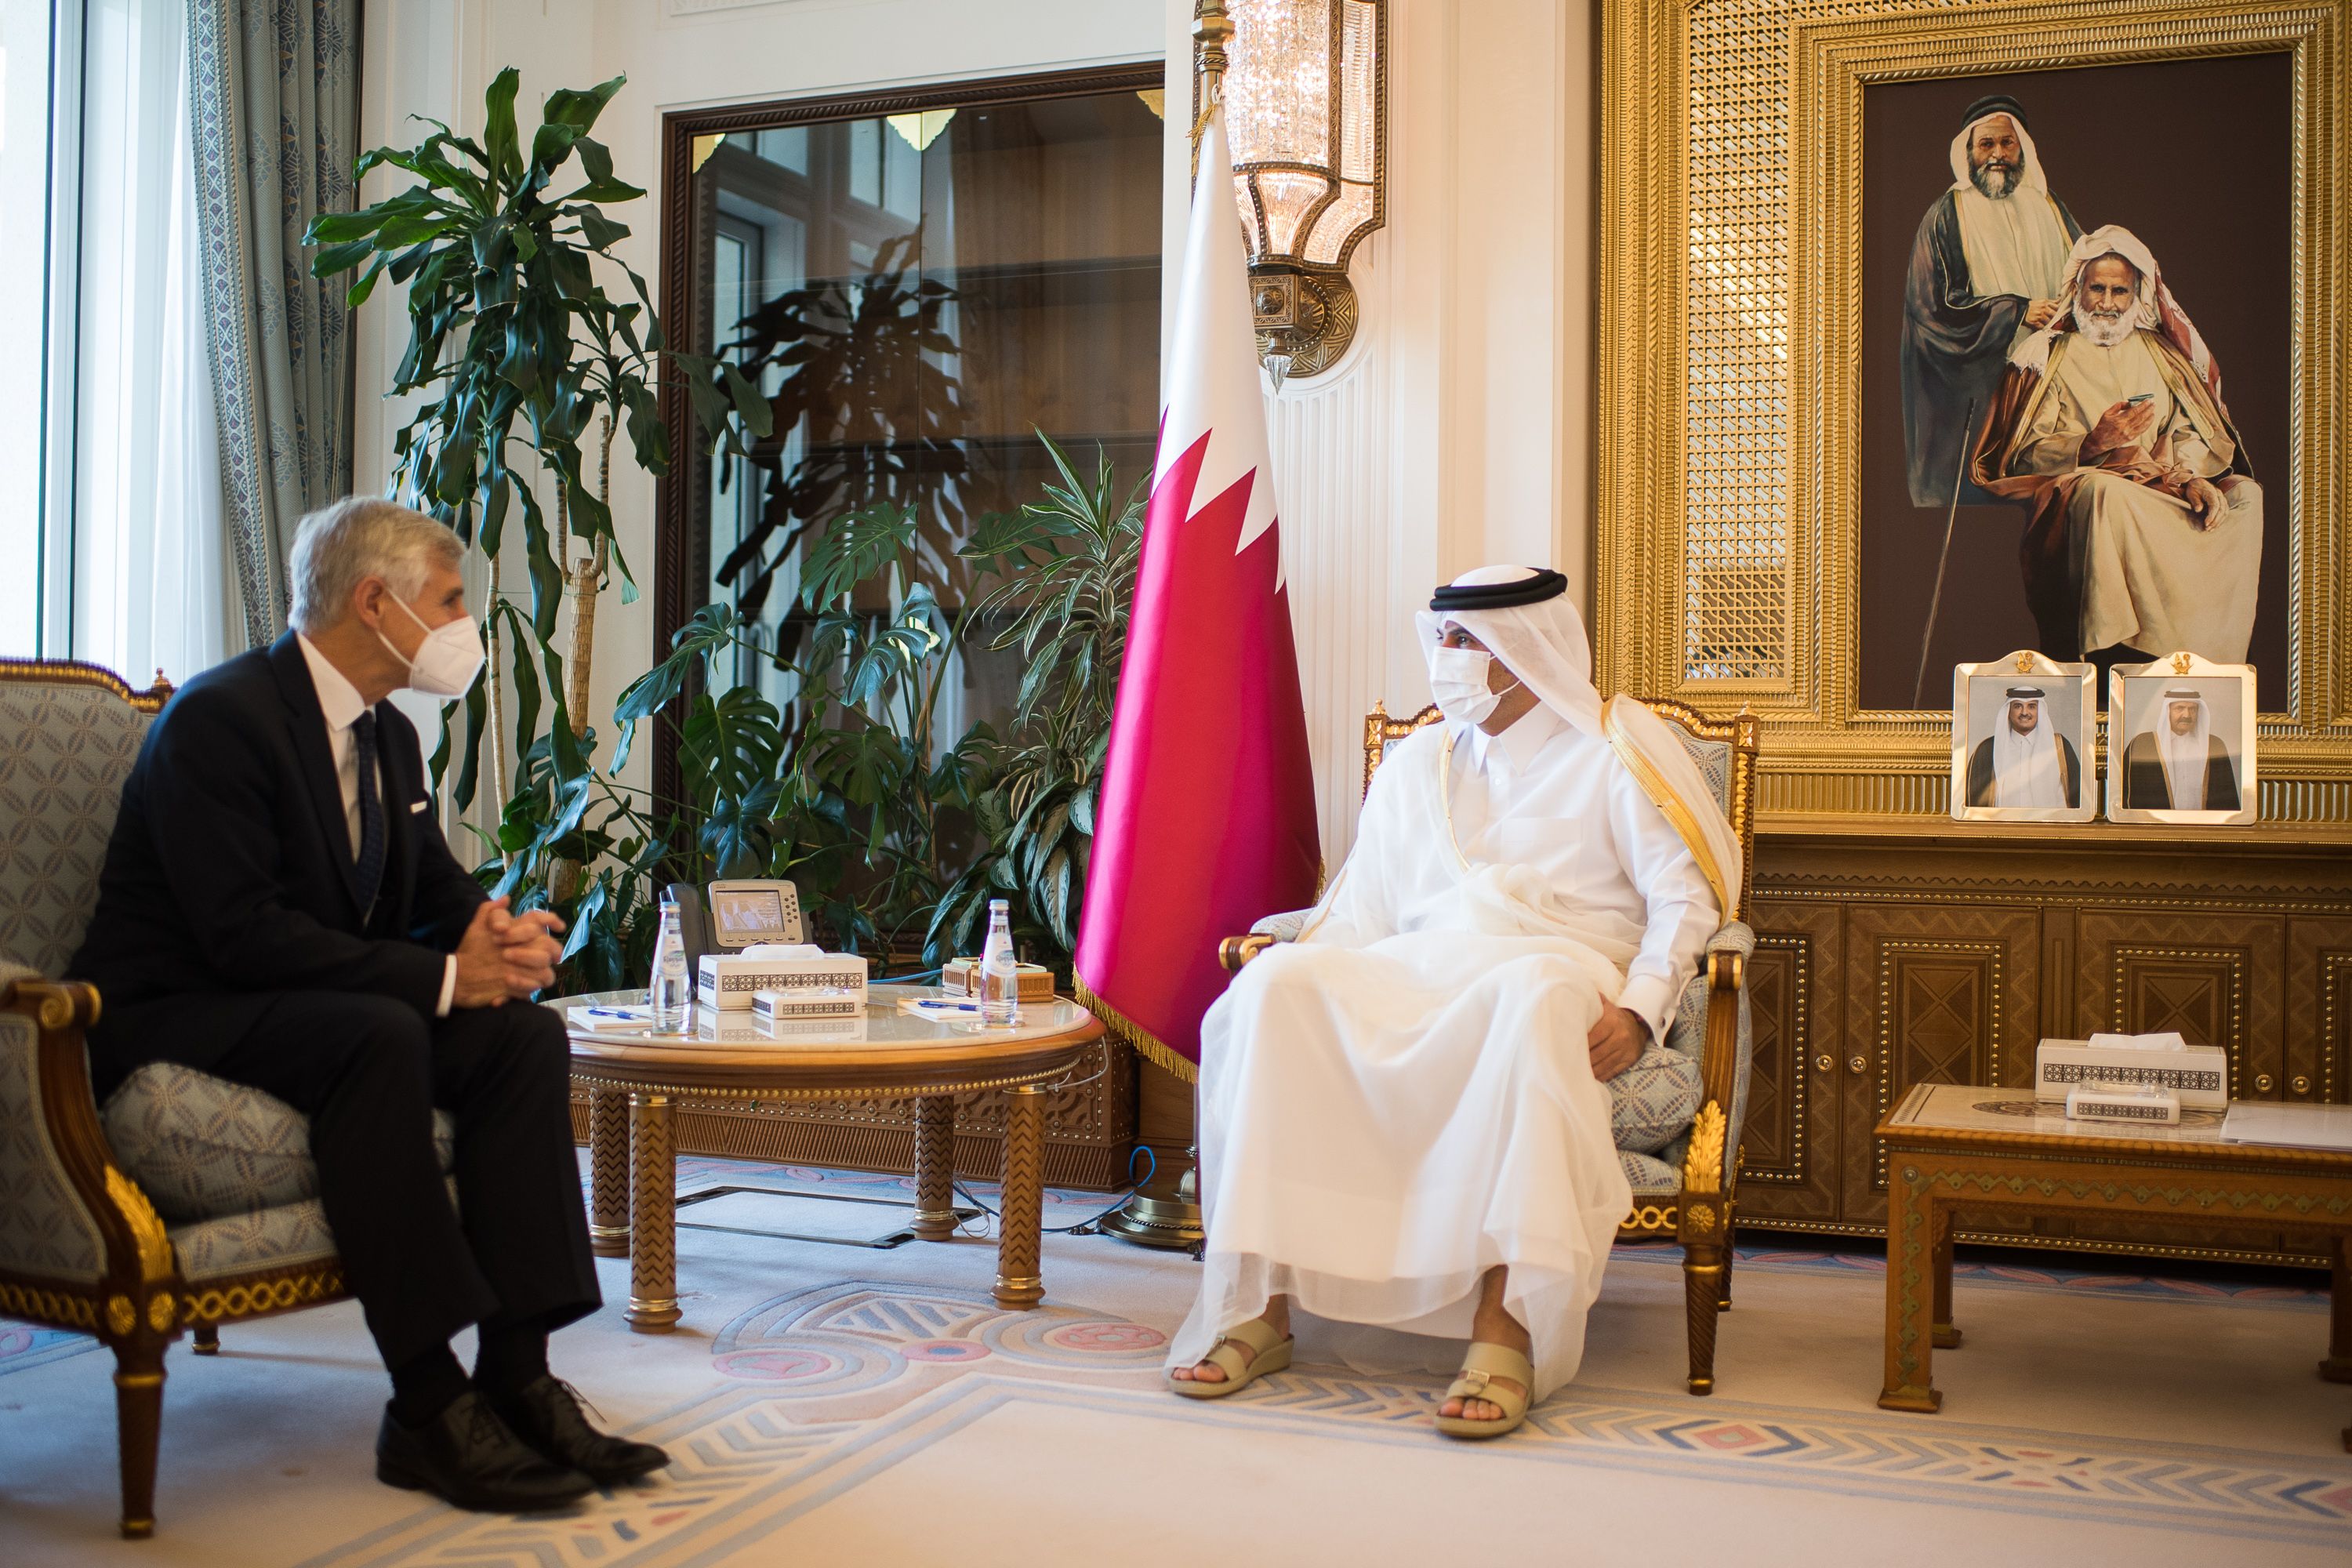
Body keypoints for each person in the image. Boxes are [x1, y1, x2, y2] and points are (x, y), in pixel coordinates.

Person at [71, 498, 666, 1512]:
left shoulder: (385, 733)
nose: (463, 623)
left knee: (522, 1037)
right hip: (180, 1007)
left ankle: (516, 1375)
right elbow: (240, 934)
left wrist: (493, 933)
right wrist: (445, 979)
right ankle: (427, 1404)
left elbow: (429, 883)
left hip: (300, 1001)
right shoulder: (222, 718)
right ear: (375, 602)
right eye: (450, 600)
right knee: (381, 1031)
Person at [1165, 565, 1734, 1439]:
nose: (1446, 655)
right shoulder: (1417, 762)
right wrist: (1321, 984)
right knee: (1272, 988)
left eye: (1467, 639)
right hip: (1420, 965)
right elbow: (1363, 912)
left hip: (1555, 966)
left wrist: (1641, 1008)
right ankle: (1258, 1309)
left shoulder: (1612, 750)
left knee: (1528, 995)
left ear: (1525, 647)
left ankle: (1506, 1327)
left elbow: (1685, 900)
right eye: (1442, 637)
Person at [1973, 225, 2262, 673]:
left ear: (2137, 295)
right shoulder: (2048, 356)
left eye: (2119, 291)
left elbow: (2190, 431)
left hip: (2162, 488)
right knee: (2106, 493)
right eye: (2097, 289)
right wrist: (2093, 443)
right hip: (2091, 488)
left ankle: (2209, 657)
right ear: (2078, 289)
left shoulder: (2162, 354)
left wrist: (2189, 478)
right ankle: (2120, 649)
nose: (2106, 303)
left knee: (2246, 496)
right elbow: (2025, 453)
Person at [1902, 95, 2081, 506]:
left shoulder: (2049, 207)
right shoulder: (1947, 214)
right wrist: (2017, 312)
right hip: (1982, 387)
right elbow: (1932, 310)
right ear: (1968, 151)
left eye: (2007, 143)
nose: (1998, 154)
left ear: (2022, 148)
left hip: (2053, 378)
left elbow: (2090, 273)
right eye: (1986, 144)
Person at [2121, 687, 2239, 810]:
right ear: (2168, 711)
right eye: (2179, 708)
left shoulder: (2214, 745)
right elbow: (2128, 795)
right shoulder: (2143, 745)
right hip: (2158, 822)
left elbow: (2227, 797)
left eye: (2192, 709)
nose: (2187, 715)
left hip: (2203, 822)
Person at [1965, 685, 2080, 808]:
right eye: (2018, 706)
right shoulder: (1987, 749)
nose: (2024, 713)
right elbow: (1974, 801)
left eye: (2032, 706)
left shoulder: (2060, 746)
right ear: (2008, 712)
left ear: (2040, 711)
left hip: (2051, 821)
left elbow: (2078, 795)